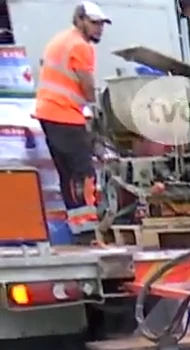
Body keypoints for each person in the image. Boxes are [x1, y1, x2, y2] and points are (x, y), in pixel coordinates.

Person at [34, 2, 108, 241]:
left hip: (50, 114)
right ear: (80, 20)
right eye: (94, 23)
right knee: (84, 173)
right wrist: (96, 108)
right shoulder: (80, 46)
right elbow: (87, 84)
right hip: (64, 115)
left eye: (101, 24)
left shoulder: (61, 40)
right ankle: (88, 232)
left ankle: (79, 231)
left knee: (68, 174)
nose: (99, 29)